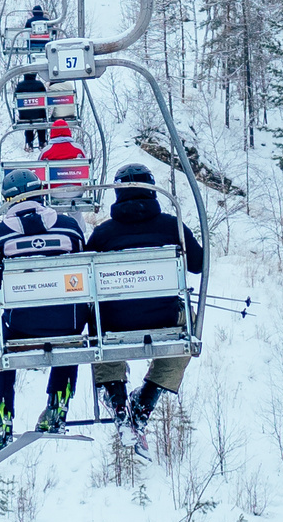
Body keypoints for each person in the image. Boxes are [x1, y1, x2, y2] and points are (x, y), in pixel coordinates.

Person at [85, 163, 207, 442]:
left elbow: (85, 277)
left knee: (98, 325)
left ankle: (116, 399)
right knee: (187, 326)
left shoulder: (104, 234)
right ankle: (146, 400)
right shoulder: (172, 226)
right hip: (164, 316)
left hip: (115, 320)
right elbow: (199, 265)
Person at [0, 196, 87, 455]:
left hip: (21, 323)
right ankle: (57, 404)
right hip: (68, 321)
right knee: (69, 335)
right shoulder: (68, 226)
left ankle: (0, 414)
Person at [13, 72, 49, 149]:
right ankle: (42, 141)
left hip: (24, 114)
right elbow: (45, 96)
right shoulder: (39, 84)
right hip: (39, 113)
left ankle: (29, 142)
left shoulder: (20, 85)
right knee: (41, 122)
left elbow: (16, 98)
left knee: (28, 121)